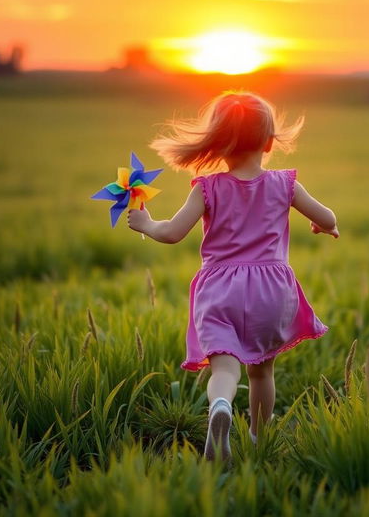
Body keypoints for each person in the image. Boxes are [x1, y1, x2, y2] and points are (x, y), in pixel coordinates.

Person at [127, 90, 338, 461]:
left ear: (218, 143)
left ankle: (221, 406)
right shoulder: (286, 184)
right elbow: (328, 217)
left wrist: (145, 222)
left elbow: (173, 233)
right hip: (270, 292)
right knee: (262, 372)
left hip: (220, 290)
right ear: (270, 142)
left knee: (224, 367)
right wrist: (324, 227)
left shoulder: (207, 188)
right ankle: (257, 437)